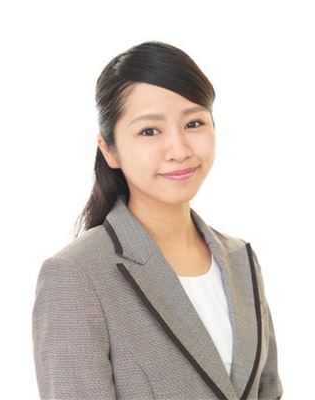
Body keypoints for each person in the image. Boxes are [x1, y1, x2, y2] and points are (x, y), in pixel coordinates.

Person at [32, 40, 283, 400]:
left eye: (194, 123)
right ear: (109, 150)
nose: (179, 150)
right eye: (149, 131)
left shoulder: (240, 259)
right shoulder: (77, 275)